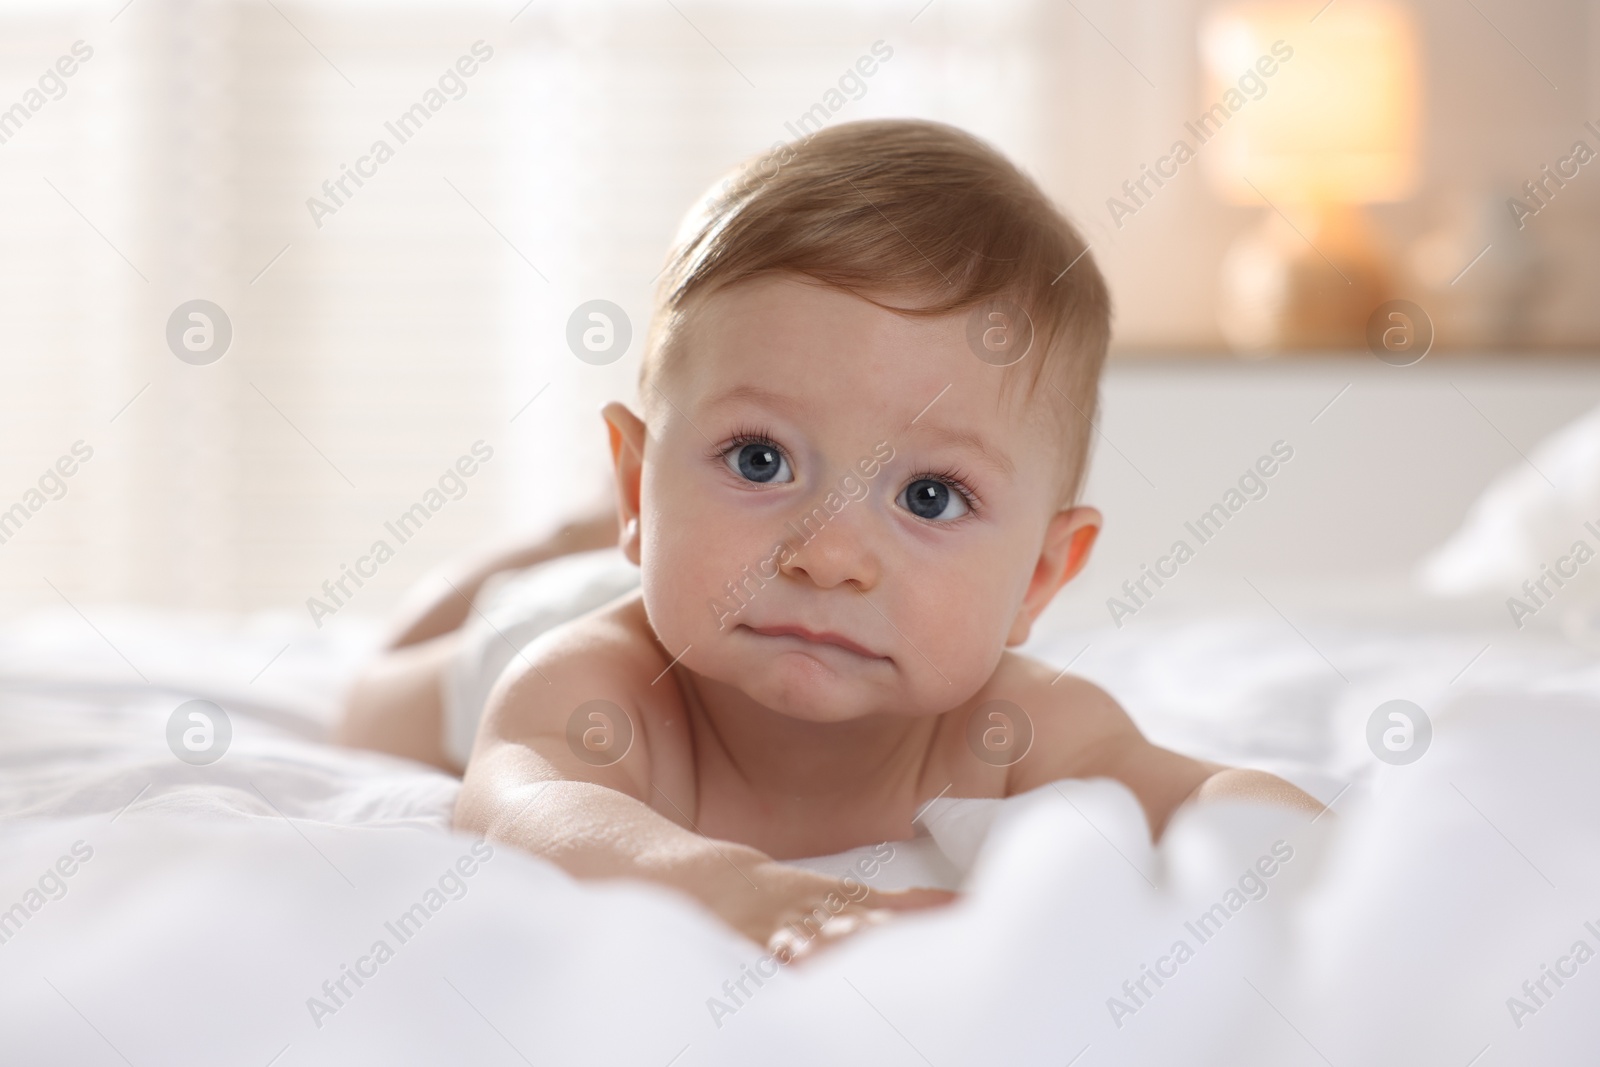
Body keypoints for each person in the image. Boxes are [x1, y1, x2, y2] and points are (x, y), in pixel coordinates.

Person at [339, 118, 1322, 960]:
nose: (829, 554)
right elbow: (526, 803)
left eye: (929, 494)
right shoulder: (588, 688)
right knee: (371, 695)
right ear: (644, 486)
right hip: (546, 619)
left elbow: (1199, 789)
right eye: (759, 459)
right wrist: (733, 888)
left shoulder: (1014, 726)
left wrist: (1302, 841)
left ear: (1037, 575)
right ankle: (562, 540)